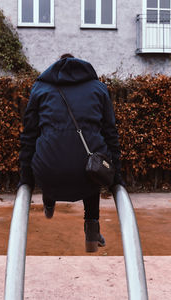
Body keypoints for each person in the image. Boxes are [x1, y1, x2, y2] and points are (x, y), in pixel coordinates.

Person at [18, 54, 124, 252]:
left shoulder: (40, 88)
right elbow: (111, 134)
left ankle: (49, 201)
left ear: (55, 67)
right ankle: (92, 232)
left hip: (47, 176)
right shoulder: (98, 89)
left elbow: (29, 137)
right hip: (87, 178)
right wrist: (116, 178)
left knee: (56, 157)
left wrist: (26, 180)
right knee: (91, 163)